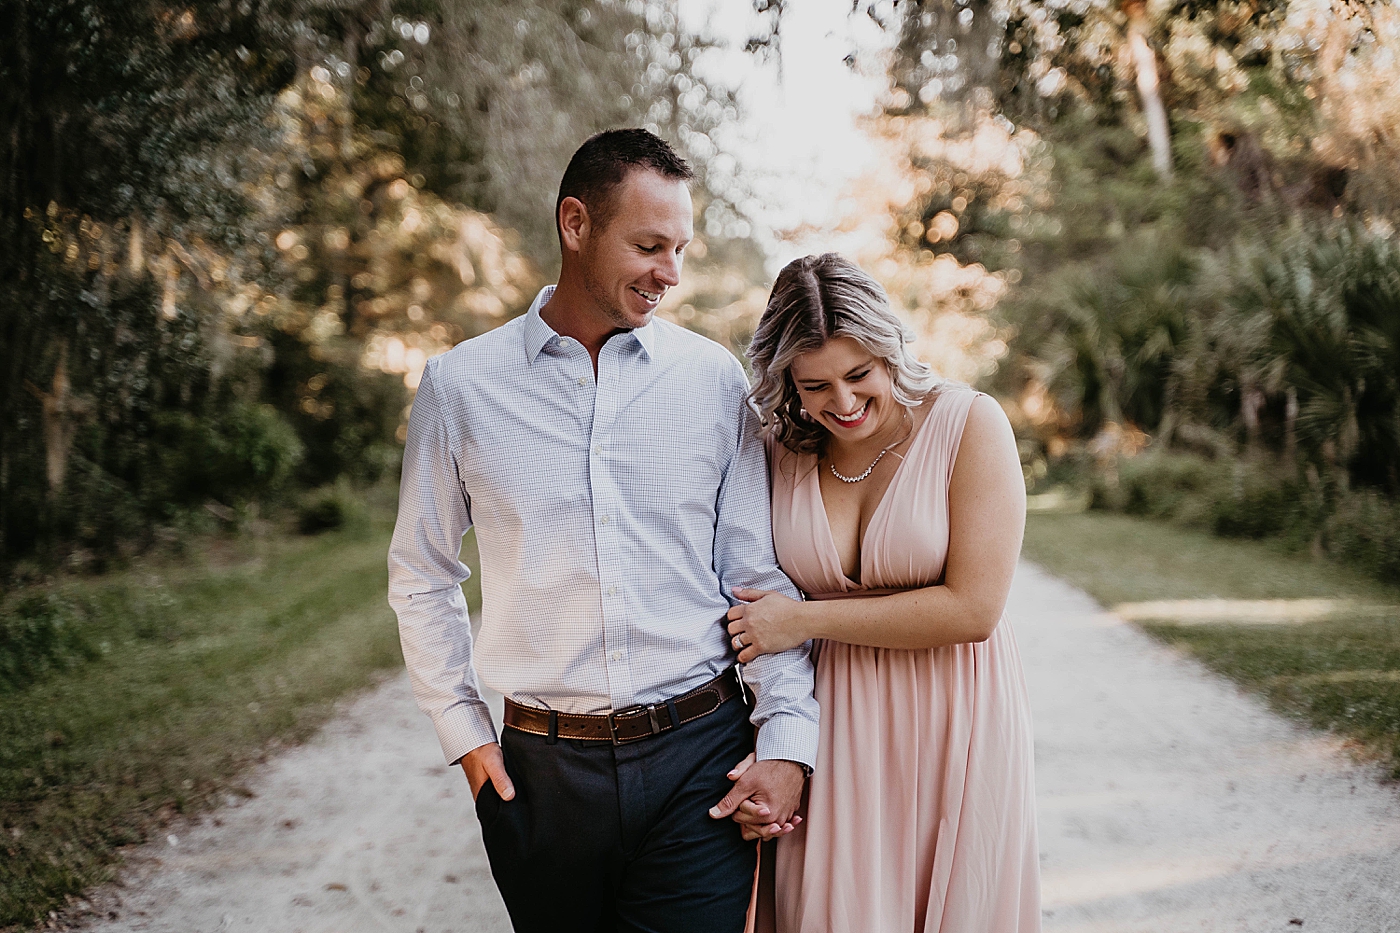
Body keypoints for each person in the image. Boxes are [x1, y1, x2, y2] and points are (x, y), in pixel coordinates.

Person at [387, 128, 819, 933]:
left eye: (681, 248)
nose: (670, 272)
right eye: (649, 245)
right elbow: (423, 572)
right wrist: (468, 739)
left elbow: (756, 575)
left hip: (700, 755)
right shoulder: (461, 387)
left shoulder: (711, 381)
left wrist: (788, 738)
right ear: (575, 223)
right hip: (543, 775)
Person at [728, 253, 1041, 932]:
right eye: (814, 385)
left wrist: (802, 619)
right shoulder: (779, 449)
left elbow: (974, 609)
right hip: (832, 723)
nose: (841, 403)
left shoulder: (969, 425)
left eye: (859, 374)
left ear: (889, 347)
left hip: (955, 715)